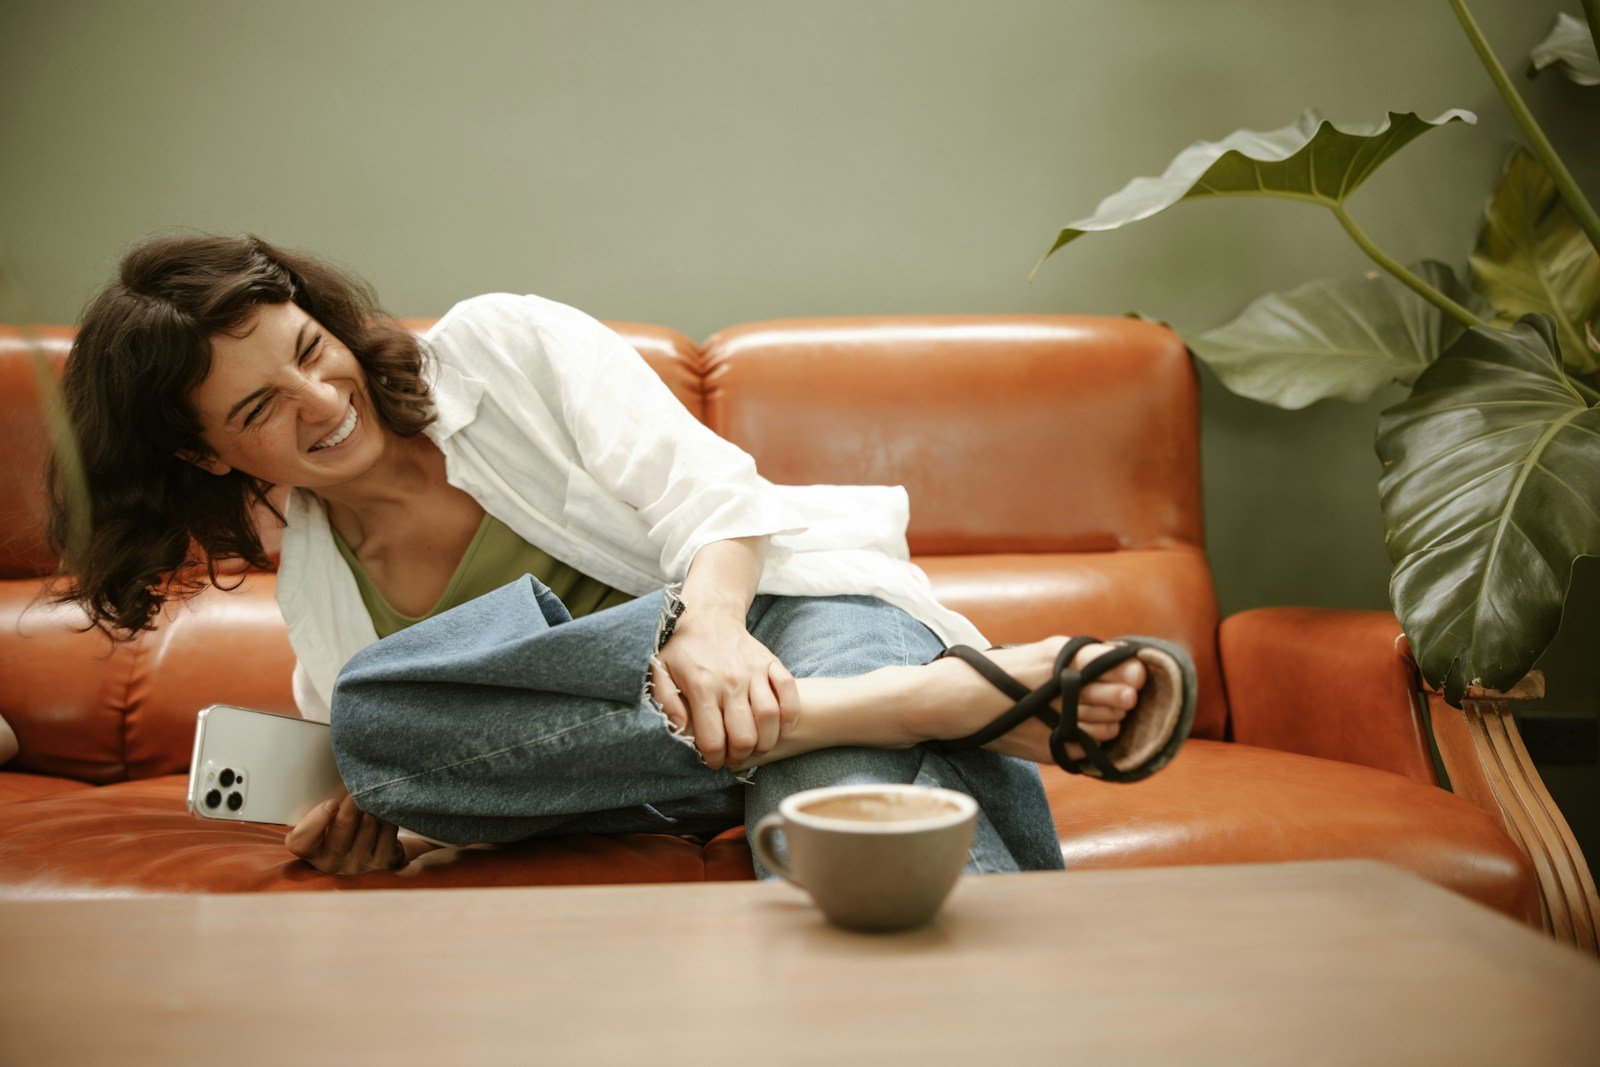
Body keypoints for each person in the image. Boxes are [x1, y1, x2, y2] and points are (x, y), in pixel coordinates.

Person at [48, 233, 1179, 880]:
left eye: (309, 349)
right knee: (369, 726)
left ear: (325, 315)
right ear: (204, 451)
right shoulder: (314, 579)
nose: (320, 400)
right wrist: (380, 822)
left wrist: (715, 629)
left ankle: (860, 714)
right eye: (261, 406)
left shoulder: (498, 345)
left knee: (833, 827)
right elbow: (453, 759)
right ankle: (923, 702)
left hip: (788, 617)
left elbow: (713, 496)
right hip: (688, 759)